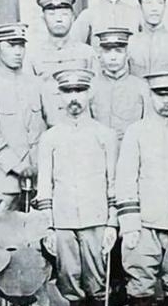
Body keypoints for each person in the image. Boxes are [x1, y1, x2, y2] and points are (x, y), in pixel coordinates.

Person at [115, 71, 168, 306]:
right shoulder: (136, 131)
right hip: (144, 224)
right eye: (159, 94)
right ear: (150, 95)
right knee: (140, 285)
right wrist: (130, 224)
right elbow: (125, 178)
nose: (165, 101)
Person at [35, 68, 119, 306]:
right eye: (68, 91)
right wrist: (48, 227)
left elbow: (113, 182)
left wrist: (112, 223)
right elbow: (45, 184)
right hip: (62, 222)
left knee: (98, 285)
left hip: (96, 219)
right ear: (60, 95)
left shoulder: (105, 135)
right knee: (68, 285)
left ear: (89, 93)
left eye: (80, 90)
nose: (74, 97)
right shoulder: (50, 138)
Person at [0, 23, 47, 213]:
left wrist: (42, 164)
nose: (18, 52)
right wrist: (16, 166)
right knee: (2, 227)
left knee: (41, 227)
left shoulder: (35, 84)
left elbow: (49, 125)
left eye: (21, 45)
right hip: (5, 179)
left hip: (38, 177)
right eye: (11, 45)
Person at [29, 0, 100, 127]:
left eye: (64, 14)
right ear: (43, 18)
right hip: (48, 130)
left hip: (83, 130)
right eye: (52, 14)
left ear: (73, 18)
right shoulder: (33, 56)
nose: (59, 19)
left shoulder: (87, 53)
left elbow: (97, 98)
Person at [90, 27, 150, 142]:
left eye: (118, 51)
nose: (113, 57)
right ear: (100, 54)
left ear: (127, 54)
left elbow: (148, 127)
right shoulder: (91, 87)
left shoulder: (141, 87)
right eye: (107, 51)